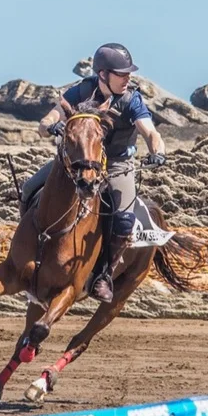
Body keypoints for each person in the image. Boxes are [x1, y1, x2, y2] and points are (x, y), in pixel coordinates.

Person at [30, 43, 167, 303]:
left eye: (129, 74)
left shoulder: (132, 100)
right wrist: (50, 127)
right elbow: (46, 120)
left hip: (116, 165)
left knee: (123, 220)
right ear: (103, 74)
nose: (127, 79)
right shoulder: (81, 91)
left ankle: (103, 275)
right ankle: (31, 249)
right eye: (122, 74)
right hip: (81, 162)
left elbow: (151, 132)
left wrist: (157, 151)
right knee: (29, 189)